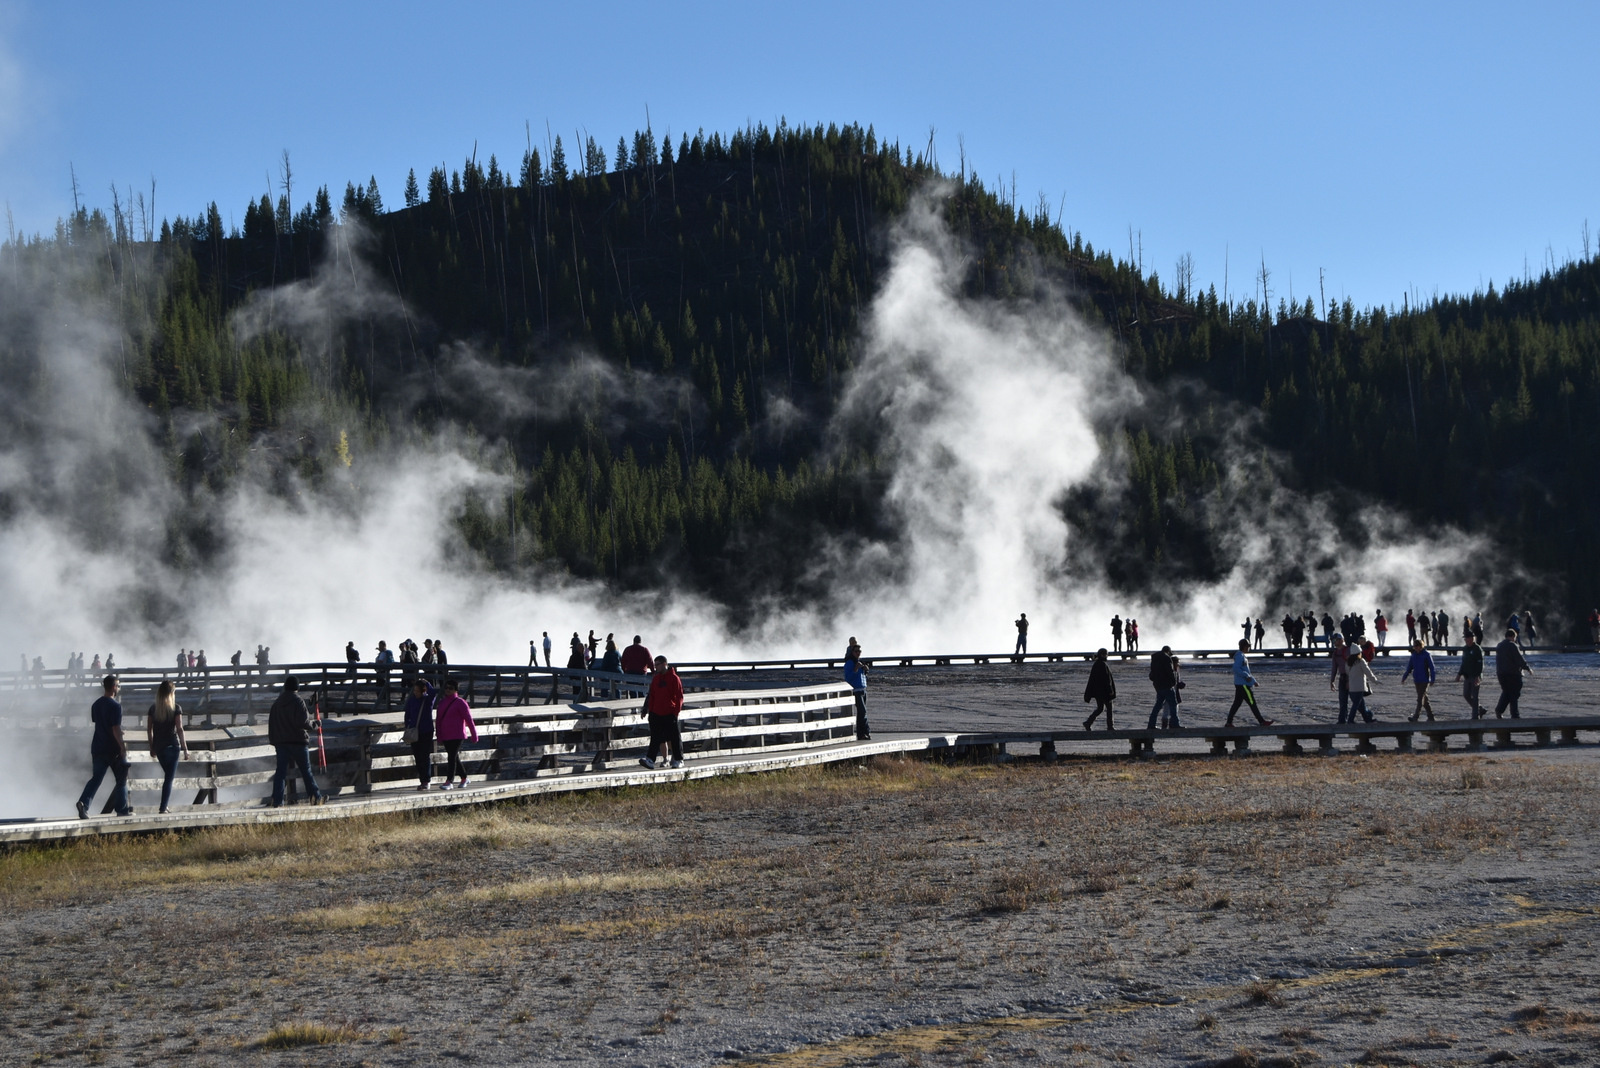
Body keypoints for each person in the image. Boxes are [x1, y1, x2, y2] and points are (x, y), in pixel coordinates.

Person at [76, 675, 133, 818]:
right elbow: (114, 728)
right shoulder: (115, 706)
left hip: (97, 746)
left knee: (96, 778)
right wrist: (122, 747)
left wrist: (117, 730)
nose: (119, 688)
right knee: (121, 780)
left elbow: (101, 724)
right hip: (112, 748)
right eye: (118, 686)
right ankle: (122, 809)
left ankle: (84, 803)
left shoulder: (96, 704)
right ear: (114, 687)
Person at [267, 676, 325, 807]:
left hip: (281, 742)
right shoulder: (298, 701)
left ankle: (277, 801)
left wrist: (274, 741)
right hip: (298, 741)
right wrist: (316, 724)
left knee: (280, 773)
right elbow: (303, 723)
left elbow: (272, 723)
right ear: (297, 688)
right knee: (306, 772)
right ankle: (316, 798)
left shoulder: (277, 702)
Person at [146, 679, 188, 814]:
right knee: (169, 779)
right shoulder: (176, 708)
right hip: (172, 746)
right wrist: (185, 748)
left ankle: (165, 806)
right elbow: (180, 729)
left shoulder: (153, 709)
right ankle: (163, 807)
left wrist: (151, 746)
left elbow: (149, 729)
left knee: (167, 777)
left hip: (159, 747)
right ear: (171, 693)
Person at [640, 656, 687, 768]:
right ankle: (650, 759)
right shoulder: (656, 679)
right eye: (655, 665)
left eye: (658, 664)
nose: (656, 667)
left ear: (665, 664)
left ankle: (679, 759)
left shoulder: (674, 678)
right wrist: (647, 710)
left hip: (669, 712)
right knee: (655, 737)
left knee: (674, 737)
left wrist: (676, 711)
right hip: (656, 712)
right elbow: (651, 695)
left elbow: (679, 696)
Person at [434, 677, 477, 790]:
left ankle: (449, 781)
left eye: (451, 688)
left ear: (456, 690)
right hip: (446, 734)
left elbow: (469, 719)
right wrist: (439, 735)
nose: (448, 690)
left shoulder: (460, 703)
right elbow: (438, 720)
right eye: (446, 688)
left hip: (457, 735)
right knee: (454, 757)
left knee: (451, 757)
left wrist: (474, 734)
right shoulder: (442, 703)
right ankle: (464, 777)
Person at [1227, 639, 1273, 727]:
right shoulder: (1240, 656)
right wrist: (1246, 676)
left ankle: (1229, 722)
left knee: (1237, 704)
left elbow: (1246, 671)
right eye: (1248, 646)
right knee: (1252, 703)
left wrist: (1254, 681)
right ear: (1244, 646)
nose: (1249, 647)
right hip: (1243, 685)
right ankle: (1262, 722)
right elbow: (1236, 668)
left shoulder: (1241, 656)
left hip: (1241, 684)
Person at [403, 678, 435, 790]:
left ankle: (426, 780)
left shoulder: (427, 700)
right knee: (417, 756)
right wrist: (407, 726)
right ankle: (422, 780)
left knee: (425, 756)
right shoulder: (412, 700)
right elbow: (407, 714)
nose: (415, 692)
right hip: (414, 732)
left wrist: (427, 683)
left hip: (426, 731)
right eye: (414, 690)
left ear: (423, 691)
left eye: (417, 690)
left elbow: (433, 692)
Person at [1493, 629, 1532, 718]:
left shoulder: (1499, 646)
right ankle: (1515, 714)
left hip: (1501, 674)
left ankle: (1499, 710)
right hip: (1513, 674)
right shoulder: (1513, 646)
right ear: (1513, 637)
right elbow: (1519, 659)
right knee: (1514, 694)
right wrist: (1527, 668)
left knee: (1507, 692)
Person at [1401, 639, 1436, 722]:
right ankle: (1431, 717)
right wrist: (1404, 677)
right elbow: (1409, 668)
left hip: (1424, 680)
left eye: (1417, 646)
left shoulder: (1426, 655)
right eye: (1414, 646)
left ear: (1421, 646)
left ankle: (1415, 717)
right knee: (1425, 700)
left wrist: (1432, 679)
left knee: (1420, 699)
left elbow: (1432, 667)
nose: (1416, 648)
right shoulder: (1413, 656)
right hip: (1417, 680)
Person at [1147, 646, 1181, 730]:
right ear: (1168, 651)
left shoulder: (1154, 659)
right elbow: (1169, 672)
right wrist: (1173, 682)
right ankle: (1174, 724)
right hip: (1167, 686)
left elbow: (1152, 674)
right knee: (1173, 704)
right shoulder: (1166, 658)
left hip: (1158, 686)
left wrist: (1156, 682)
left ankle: (1151, 725)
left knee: (1157, 706)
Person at [1083, 648, 1116, 730]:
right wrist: (1110, 690)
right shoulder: (1102, 665)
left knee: (1100, 708)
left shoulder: (1096, 664)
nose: (1106, 656)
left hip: (1098, 692)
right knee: (1109, 708)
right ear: (1102, 655)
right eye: (1106, 654)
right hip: (1104, 692)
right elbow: (1106, 680)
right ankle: (1110, 726)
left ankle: (1088, 722)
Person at [844, 644, 871, 740]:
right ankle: (862, 733)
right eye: (856, 651)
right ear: (852, 652)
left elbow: (861, 677)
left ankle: (865, 732)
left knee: (862, 712)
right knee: (862, 711)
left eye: (859, 651)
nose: (858, 653)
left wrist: (865, 671)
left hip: (862, 689)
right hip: (856, 690)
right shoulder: (849, 663)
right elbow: (848, 678)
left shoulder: (859, 662)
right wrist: (856, 669)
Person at [1456, 631, 1485, 718]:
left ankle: (1475, 716)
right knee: (1466, 695)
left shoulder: (1477, 649)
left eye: (1467, 638)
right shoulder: (1465, 649)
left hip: (1475, 676)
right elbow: (1464, 663)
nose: (1466, 640)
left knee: (1475, 696)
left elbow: (1480, 664)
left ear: (1472, 638)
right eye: (1465, 638)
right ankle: (1479, 709)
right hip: (1467, 675)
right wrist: (1459, 674)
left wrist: (1477, 676)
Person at [1347, 652, 1378, 723]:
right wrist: (1375, 680)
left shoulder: (1348, 662)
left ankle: (1367, 719)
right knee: (1356, 705)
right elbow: (1368, 672)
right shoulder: (1361, 661)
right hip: (1359, 687)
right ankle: (1350, 720)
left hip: (1351, 688)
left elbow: (1346, 673)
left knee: (1361, 705)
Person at [1329, 634, 1352, 724]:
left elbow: (1352, 666)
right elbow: (1334, 668)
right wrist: (1332, 681)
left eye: (1336, 640)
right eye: (1333, 640)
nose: (1334, 642)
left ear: (1342, 640)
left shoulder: (1348, 651)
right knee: (1342, 700)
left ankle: (1367, 717)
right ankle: (1342, 720)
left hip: (1351, 677)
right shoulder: (1335, 653)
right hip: (1342, 678)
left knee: (1357, 701)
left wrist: (1350, 680)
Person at [374, 640, 395, 709]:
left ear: (383, 646)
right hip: (385, 672)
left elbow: (380, 661)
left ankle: (382, 702)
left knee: (379, 688)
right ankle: (384, 701)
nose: (379, 647)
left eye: (380, 646)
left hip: (381, 672)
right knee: (383, 687)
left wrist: (375, 664)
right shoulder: (385, 653)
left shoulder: (383, 654)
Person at [566, 633, 588, 697]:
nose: (583, 650)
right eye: (582, 648)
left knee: (582, 692)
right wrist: (572, 677)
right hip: (577, 677)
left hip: (581, 677)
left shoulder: (581, 655)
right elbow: (570, 666)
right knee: (577, 692)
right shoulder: (574, 656)